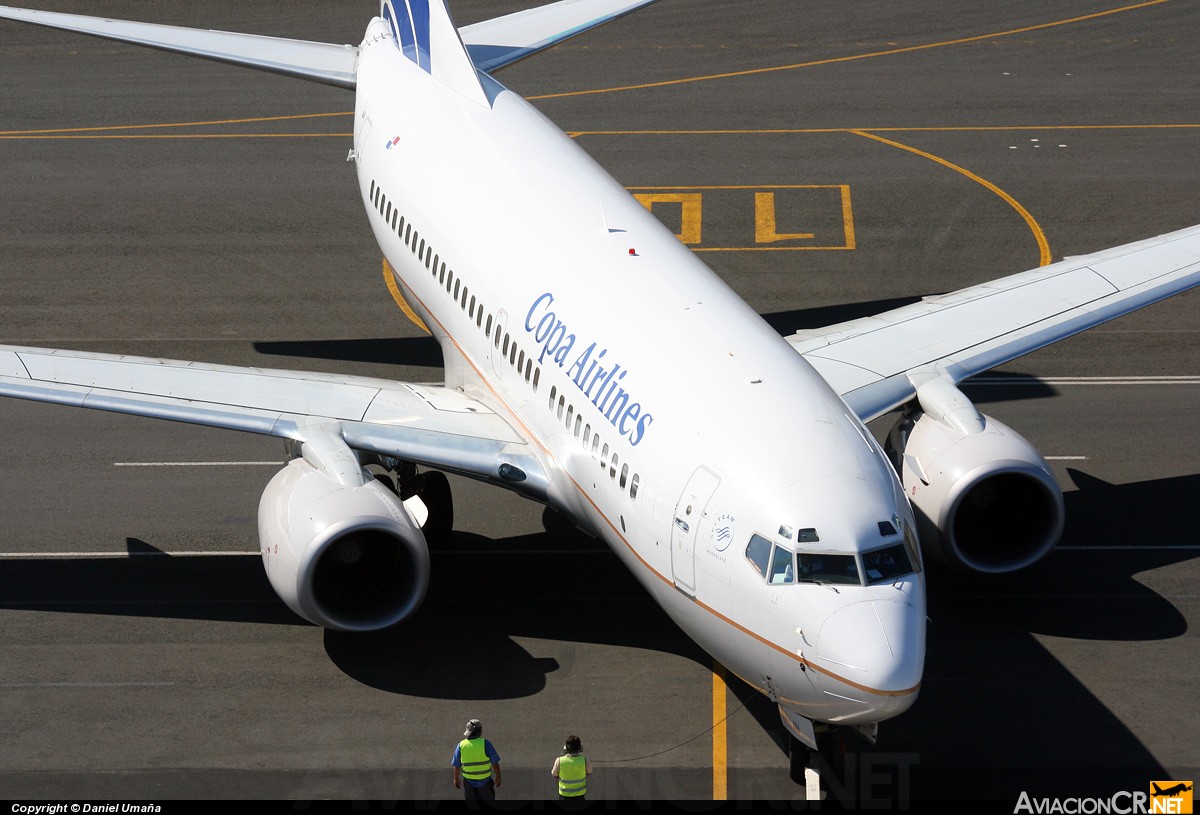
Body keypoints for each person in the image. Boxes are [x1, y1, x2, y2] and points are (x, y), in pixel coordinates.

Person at [451, 718, 502, 802]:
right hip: (485, 782)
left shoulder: (461, 745)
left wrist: (456, 779)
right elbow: (495, 762)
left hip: (468, 783)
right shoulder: (485, 743)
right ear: (479, 731)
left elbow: (457, 765)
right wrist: (498, 776)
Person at [550, 734, 592, 800]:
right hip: (580, 796)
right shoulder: (584, 759)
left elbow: (554, 774)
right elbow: (589, 772)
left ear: (566, 748)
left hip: (564, 796)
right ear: (580, 747)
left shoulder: (559, 760)